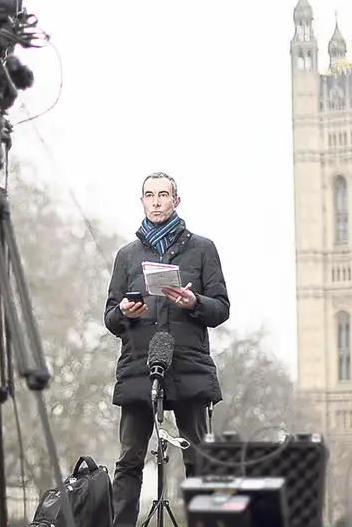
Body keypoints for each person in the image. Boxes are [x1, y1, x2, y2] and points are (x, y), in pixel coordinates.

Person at [103, 172, 230, 527]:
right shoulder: (127, 256)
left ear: (176, 200)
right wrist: (124, 313)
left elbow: (221, 308)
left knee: (198, 460)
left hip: (189, 367)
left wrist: (193, 301)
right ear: (141, 200)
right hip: (139, 368)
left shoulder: (202, 249)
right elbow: (111, 318)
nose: (156, 201)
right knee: (129, 460)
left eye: (163, 195)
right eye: (149, 195)